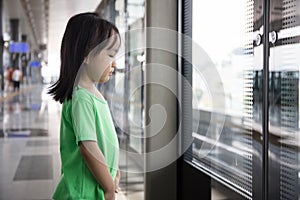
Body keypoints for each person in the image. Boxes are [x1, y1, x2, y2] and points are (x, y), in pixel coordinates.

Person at [48, 12, 121, 200]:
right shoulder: (82, 97)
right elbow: (88, 148)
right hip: (83, 193)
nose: (114, 63)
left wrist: (113, 170)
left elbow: (103, 142)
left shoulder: (91, 94)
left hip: (91, 187)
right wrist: (109, 187)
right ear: (87, 54)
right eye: (110, 55)